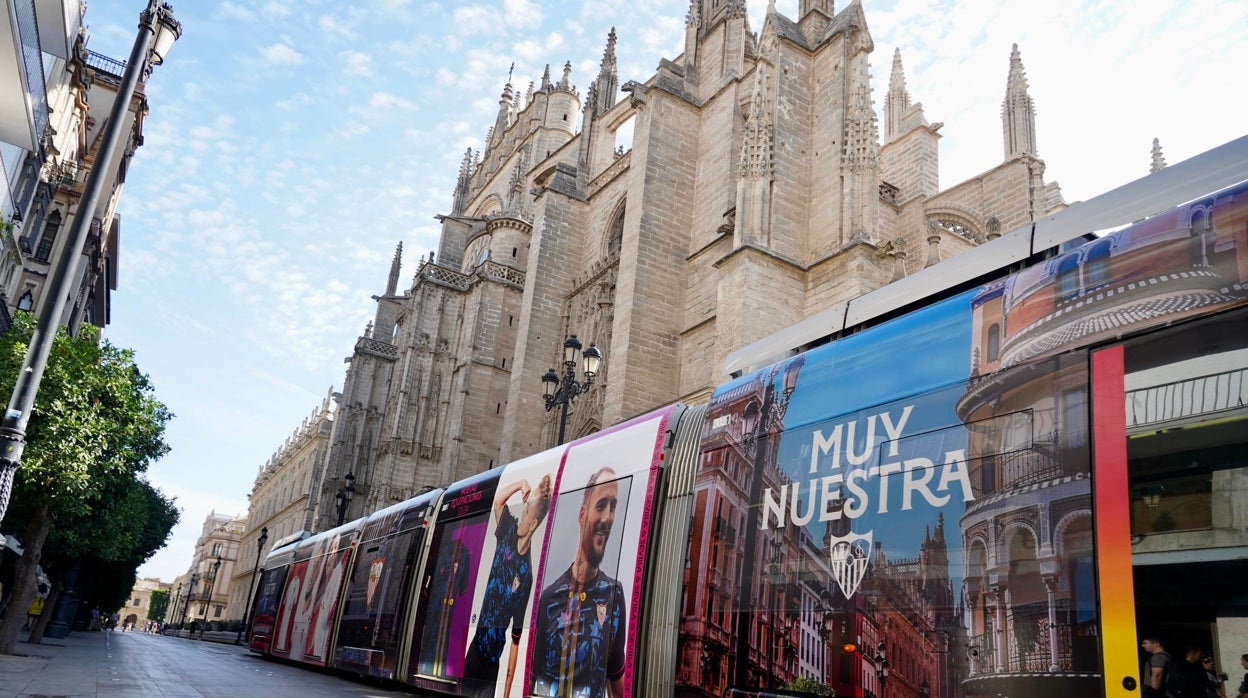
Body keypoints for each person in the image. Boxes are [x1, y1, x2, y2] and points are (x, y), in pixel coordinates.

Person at [531, 467, 627, 698]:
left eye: (613, 507)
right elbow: (533, 678)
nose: (607, 517)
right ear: (582, 514)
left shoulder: (613, 594)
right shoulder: (549, 597)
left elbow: (615, 674)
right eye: (601, 505)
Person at [462, 474, 554, 692]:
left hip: (492, 665)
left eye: (526, 511)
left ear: (533, 524)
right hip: (475, 653)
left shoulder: (527, 576)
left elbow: (515, 639)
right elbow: (498, 502)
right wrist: (521, 484)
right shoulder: (508, 530)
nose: (521, 515)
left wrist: (506, 692)